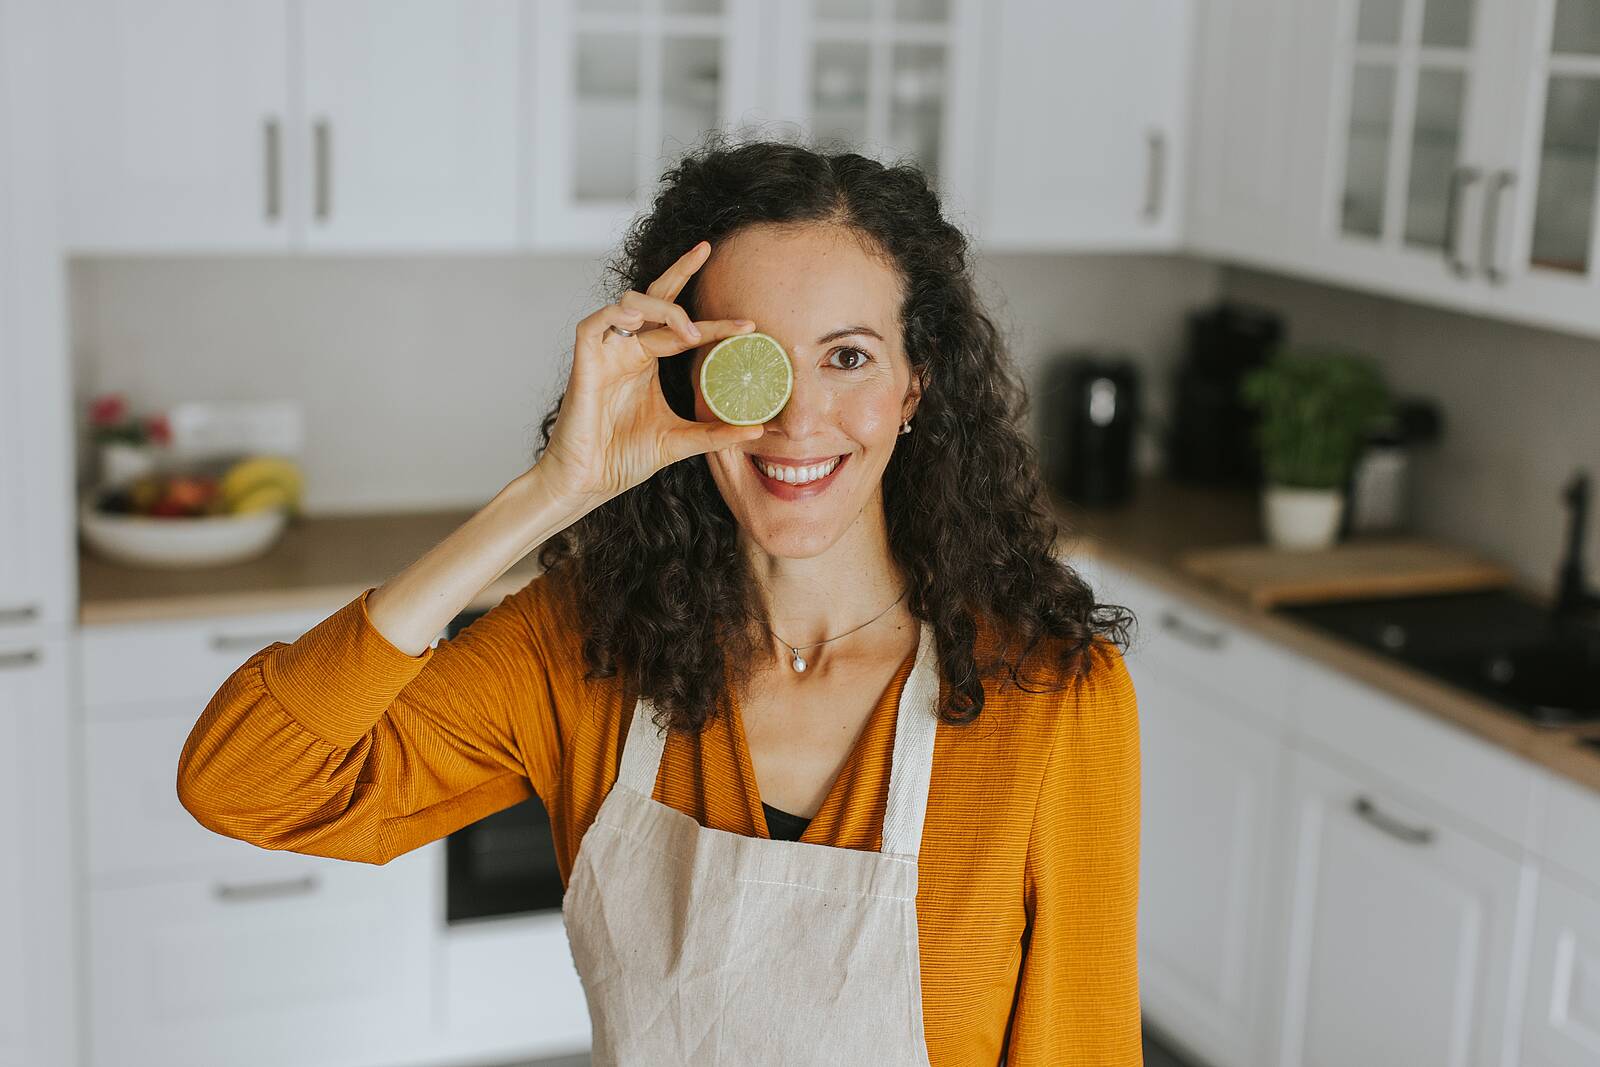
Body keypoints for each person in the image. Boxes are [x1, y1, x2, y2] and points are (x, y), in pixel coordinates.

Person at [177, 134, 1143, 1066]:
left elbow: (1085, 1041)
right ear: (684, 375)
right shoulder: (587, 644)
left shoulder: (1053, 698)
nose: (797, 418)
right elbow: (245, 782)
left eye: (848, 356)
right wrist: (552, 491)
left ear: (914, 387)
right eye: (750, 360)